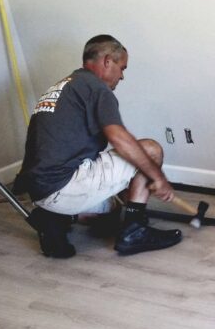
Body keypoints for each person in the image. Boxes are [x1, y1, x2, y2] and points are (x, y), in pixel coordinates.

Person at [14, 35, 182, 258]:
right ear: (107, 61)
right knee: (151, 150)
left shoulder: (66, 85)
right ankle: (135, 233)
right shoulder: (96, 88)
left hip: (40, 190)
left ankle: (56, 219)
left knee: (114, 210)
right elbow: (119, 139)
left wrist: (131, 193)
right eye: (122, 68)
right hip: (63, 186)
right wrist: (157, 177)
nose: (122, 76)